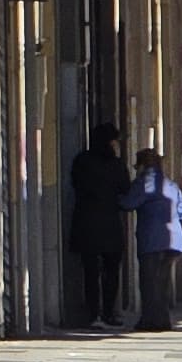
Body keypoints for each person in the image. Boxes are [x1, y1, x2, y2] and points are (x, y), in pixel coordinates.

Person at [66, 127, 130, 330]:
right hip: (110, 225)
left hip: (86, 224)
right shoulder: (116, 165)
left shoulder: (81, 161)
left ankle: (93, 314)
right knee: (111, 272)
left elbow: (76, 184)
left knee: (90, 272)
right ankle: (109, 312)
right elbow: (125, 189)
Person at [126, 144, 182, 331]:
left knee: (149, 281)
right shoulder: (171, 184)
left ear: (142, 166)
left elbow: (128, 203)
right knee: (163, 281)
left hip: (152, 239)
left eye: (137, 166)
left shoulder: (145, 183)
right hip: (175, 240)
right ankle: (163, 319)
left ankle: (150, 321)